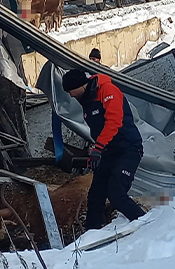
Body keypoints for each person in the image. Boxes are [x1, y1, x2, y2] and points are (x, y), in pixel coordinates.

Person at [61, 68, 147, 228]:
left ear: (80, 85)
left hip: (128, 148)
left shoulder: (107, 90)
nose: (70, 95)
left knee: (116, 195)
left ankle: (146, 224)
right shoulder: (86, 99)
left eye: (70, 91)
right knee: (95, 196)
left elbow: (114, 122)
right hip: (108, 151)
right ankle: (92, 233)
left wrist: (98, 148)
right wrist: (95, 151)